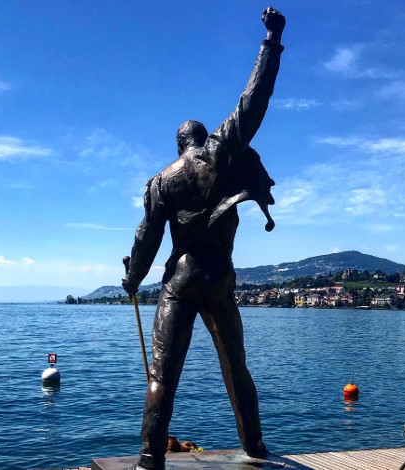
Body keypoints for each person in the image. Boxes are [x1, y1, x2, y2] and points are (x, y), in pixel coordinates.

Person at [122, 7, 285, 470]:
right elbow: (254, 101)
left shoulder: (161, 182)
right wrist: (271, 41)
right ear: (201, 139)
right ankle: (254, 445)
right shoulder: (221, 152)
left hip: (182, 276)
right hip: (219, 276)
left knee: (162, 373)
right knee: (236, 366)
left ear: (179, 146)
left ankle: (149, 458)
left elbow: (147, 239)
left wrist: (133, 278)